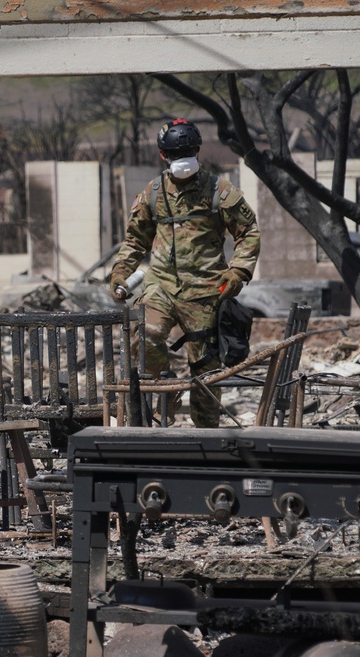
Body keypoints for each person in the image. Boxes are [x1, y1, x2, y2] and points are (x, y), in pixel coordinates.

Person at [110, 118, 260, 427]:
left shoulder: (220, 191)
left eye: (188, 152)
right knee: (145, 335)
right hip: (161, 285)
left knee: (206, 371)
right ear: (164, 156)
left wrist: (239, 272)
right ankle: (168, 394)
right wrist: (121, 271)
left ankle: (207, 438)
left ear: (198, 151)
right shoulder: (153, 193)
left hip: (207, 290)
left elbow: (249, 233)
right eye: (176, 154)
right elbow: (135, 239)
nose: (182, 160)